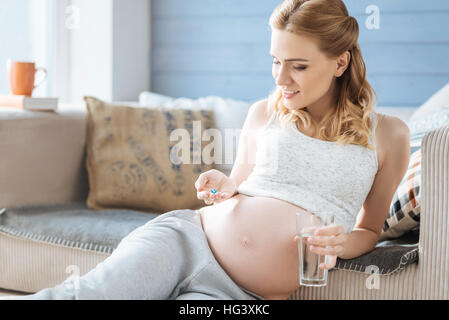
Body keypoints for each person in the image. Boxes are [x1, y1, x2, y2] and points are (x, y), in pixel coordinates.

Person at [10, 0, 410, 300]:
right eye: (275, 61)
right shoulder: (264, 113)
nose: (281, 78)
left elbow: (370, 230)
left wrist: (342, 244)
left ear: (340, 63)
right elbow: (235, 187)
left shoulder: (388, 135)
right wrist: (221, 186)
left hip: (242, 295)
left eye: (298, 66)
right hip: (185, 240)